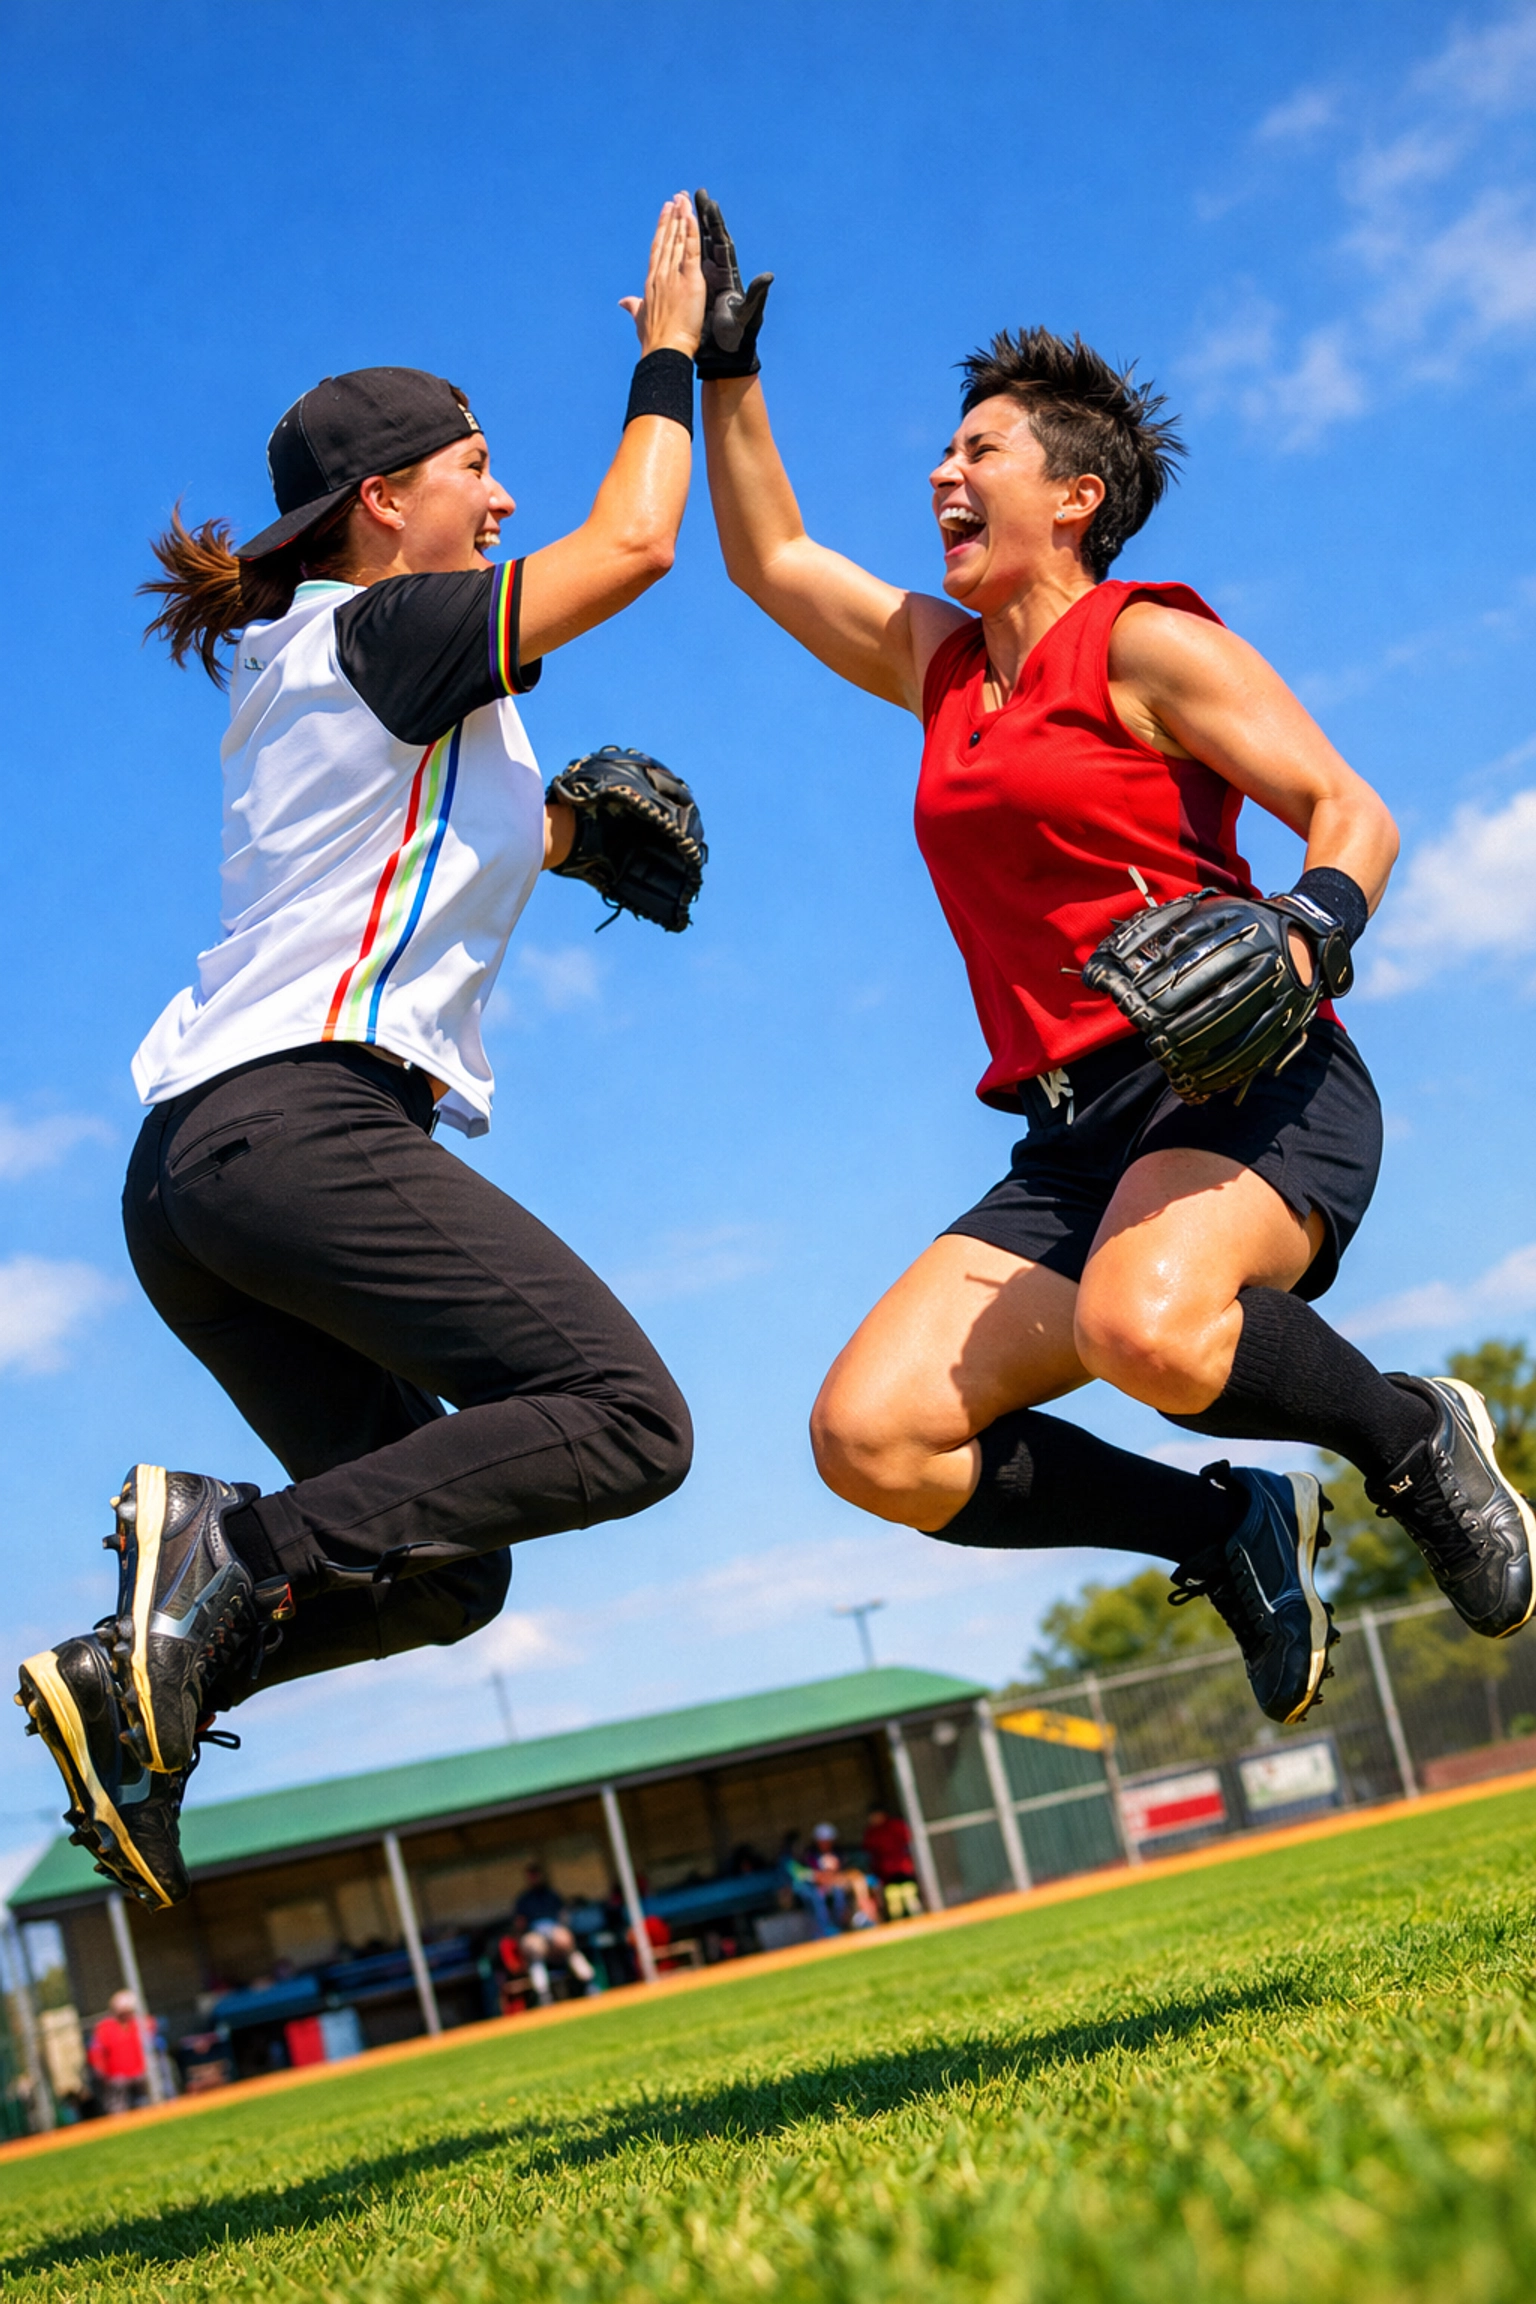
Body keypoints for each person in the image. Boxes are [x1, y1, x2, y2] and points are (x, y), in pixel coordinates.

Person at [694, 192, 1535, 1730]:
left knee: (1143, 1324)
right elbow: (771, 558)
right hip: (1072, 1134)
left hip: (1241, 1081)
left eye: (981, 452)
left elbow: (1352, 810)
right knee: (871, 1438)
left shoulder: (1145, 643)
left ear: (1075, 496)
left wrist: (1314, 922)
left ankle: (1410, 1435)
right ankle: (1226, 1529)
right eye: (946, 452)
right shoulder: (946, 667)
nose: (945, 472)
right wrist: (723, 370)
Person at [18, 195, 708, 1914]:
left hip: (196, 1179)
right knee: (624, 1419)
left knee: (443, 1564)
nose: (507, 493)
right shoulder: (383, 625)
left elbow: (390, 850)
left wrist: (553, 835)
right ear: (385, 502)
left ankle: (145, 1683)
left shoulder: (329, 666)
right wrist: (671, 354)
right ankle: (226, 1554)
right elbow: (634, 546)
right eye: (481, 463)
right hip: (294, 1129)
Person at [512, 1863, 597, 2003]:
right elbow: (519, 1924)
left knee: (567, 1944)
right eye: (531, 1875)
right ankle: (544, 1994)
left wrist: (561, 1930)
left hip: (554, 1932)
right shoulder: (524, 1899)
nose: (534, 1878)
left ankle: (590, 1983)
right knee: (535, 1951)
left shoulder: (551, 1894)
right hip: (536, 1934)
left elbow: (563, 1916)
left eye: (536, 1875)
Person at [88, 1990, 158, 2116]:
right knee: (117, 2109)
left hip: (139, 2072)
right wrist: (102, 2072)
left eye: (129, 2010)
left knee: (146, 2103)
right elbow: (95, 2053)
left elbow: (152, 2031)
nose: (127, 2014)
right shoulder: (104, 2027)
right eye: (123, 2011)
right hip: (116, 2076)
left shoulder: (139, 2023)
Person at [863, 1805, 921, 1920]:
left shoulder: (895, 1825)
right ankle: (898, 1920)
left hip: (902, 1865)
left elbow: (908, 1840)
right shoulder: (872, 1832)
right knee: (893, 1895)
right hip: (885, 1869)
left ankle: (916, 1915)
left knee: (908, 1891)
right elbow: (868, 1848)